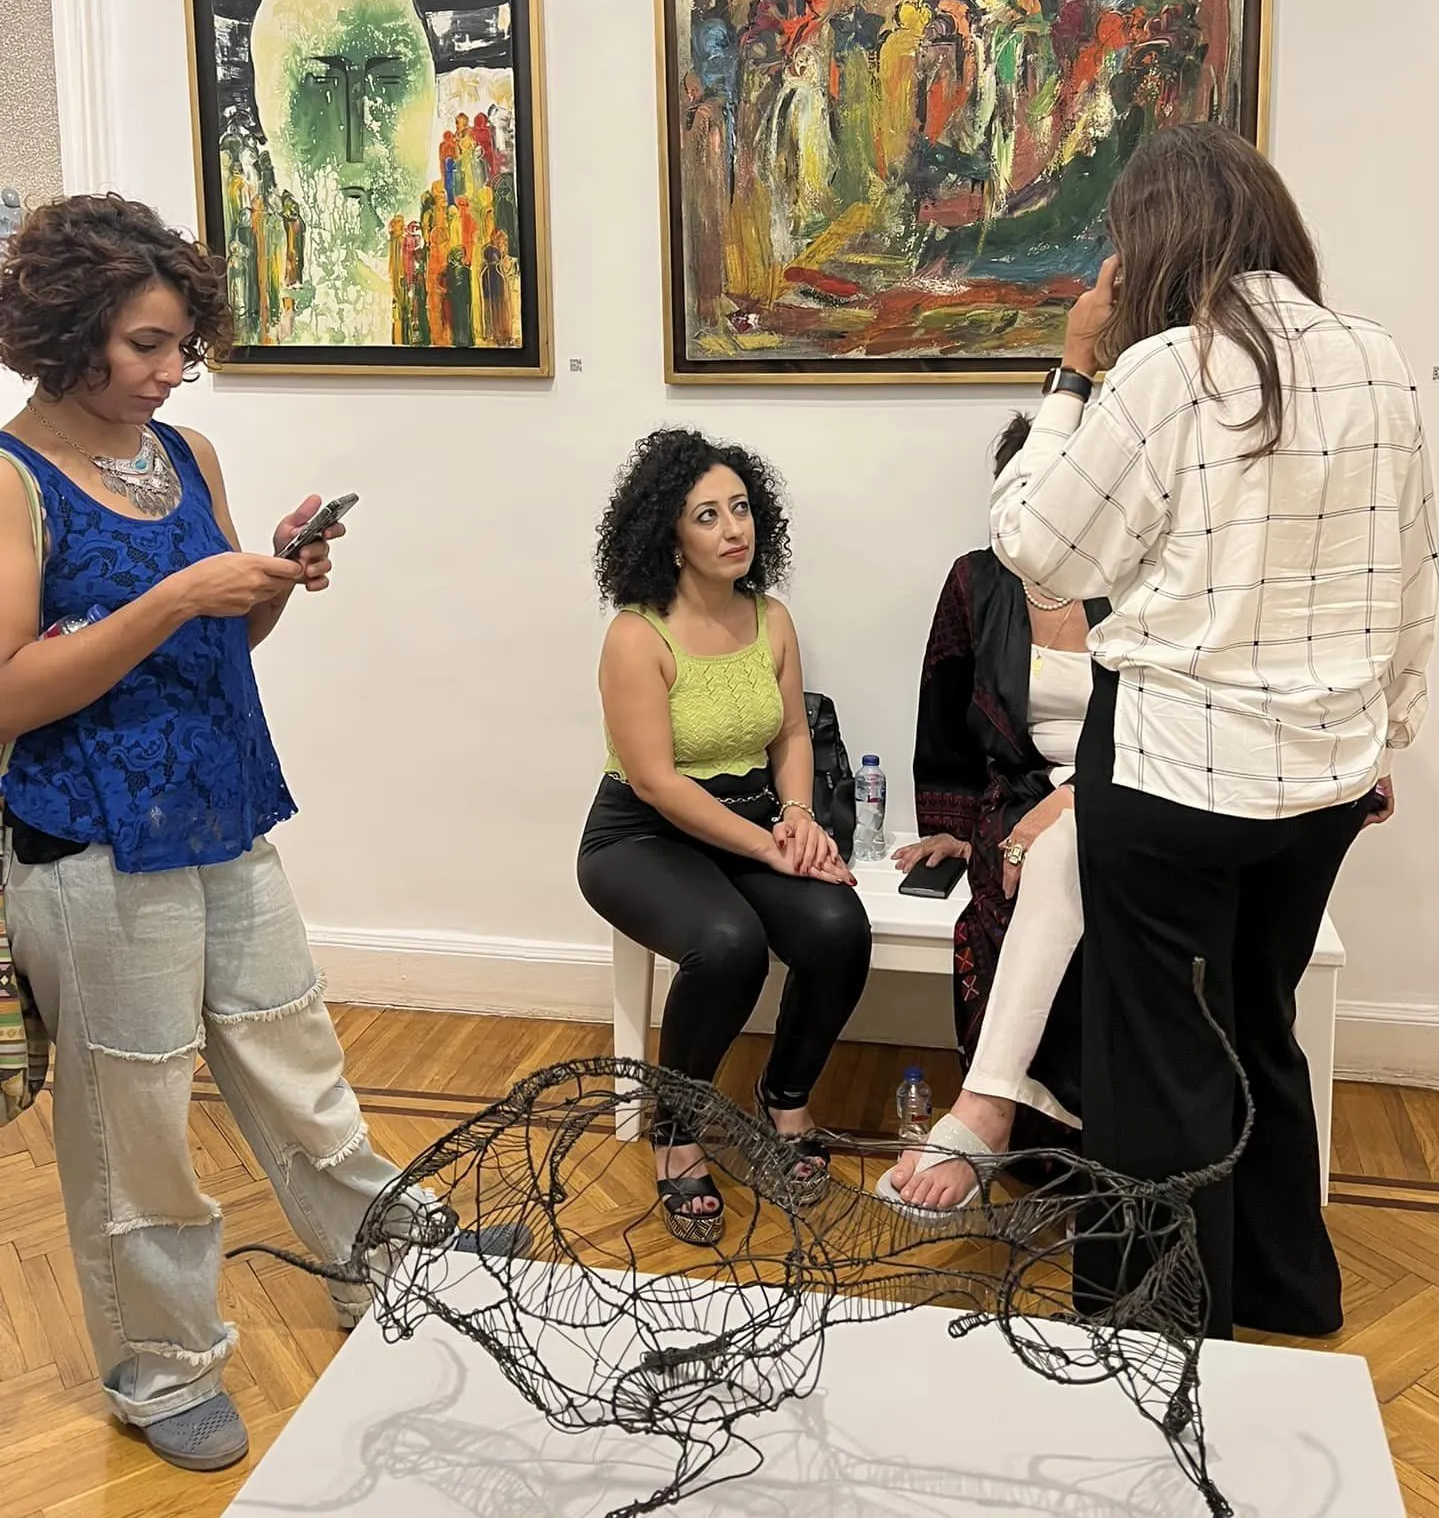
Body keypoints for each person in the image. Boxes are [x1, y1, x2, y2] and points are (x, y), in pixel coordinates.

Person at [0, 196, 507, 1474]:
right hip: (92, 839)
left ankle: (380, 1250)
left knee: (295, 1054)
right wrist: (178, 594)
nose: (172, 370)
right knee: (136, 1120)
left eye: (183, 345)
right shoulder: (11, 479)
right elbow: (8, 692)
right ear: (68, 331)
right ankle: (160, 1366)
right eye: (147, 345)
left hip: (220, 804)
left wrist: (267, 581)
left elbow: (224, 640)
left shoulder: (189, 453)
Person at [989, 124, 1438, 1340]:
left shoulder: (1159, 371)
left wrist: (1070, 372)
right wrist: (1387, 731)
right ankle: (1288, 1291)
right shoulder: (1376, 358)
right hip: (1327, 772)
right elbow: (1411, 568)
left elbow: (1039, 549)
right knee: (1260, 1027)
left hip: (1172, 773)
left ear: (1151, 243)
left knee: (1163, 1056)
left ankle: (1163, 1337)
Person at [578, 429, 872, 1245]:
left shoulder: (772, 619)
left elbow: (793, 735)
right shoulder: (637, 635)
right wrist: (770, 846)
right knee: (728, 944)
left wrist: (799, 818)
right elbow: (656, 783)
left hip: (754, 819)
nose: (733, 528)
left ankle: (784, 1097)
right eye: (707, 515)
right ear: (668, 533)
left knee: (839, 929)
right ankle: (676, 1130)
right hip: (639, 836)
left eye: (740, 508)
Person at [879, 416, 1108, 1215]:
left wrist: (1074, 802)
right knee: (999, 900)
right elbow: (942, 706)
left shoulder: (1144, 581)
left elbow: (1169, 724)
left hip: (1133, 789)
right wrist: (948, 822)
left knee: (1089, 894)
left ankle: (1071, 1134)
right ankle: (1016, 1132)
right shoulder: (977, 582)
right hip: (1015, 796)